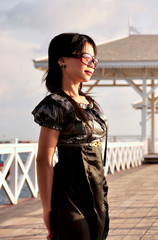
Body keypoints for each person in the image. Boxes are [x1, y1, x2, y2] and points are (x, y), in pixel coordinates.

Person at [32, 33, 109, 240]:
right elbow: (43, 160)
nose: (91, 64)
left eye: (94, 59)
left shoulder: (90, 104)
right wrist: (47, 210)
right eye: (85, 57)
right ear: (62, 60)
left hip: (96, 194)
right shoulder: (56, 105)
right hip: (70, 198)